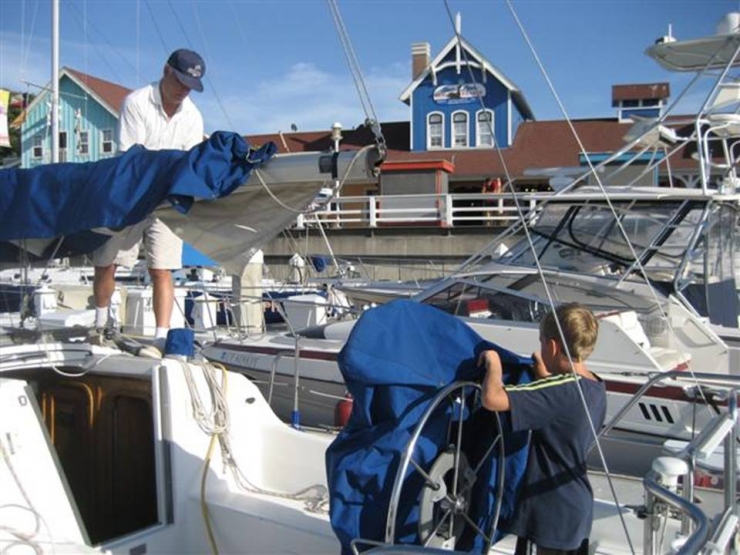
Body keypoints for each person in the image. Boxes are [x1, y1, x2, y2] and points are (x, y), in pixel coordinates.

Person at [92, 48, 206, 346]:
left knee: (163, 268)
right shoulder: (136, 102)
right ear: (166, 71)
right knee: (107, 261)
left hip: (167, 199)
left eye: (190, 86)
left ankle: (160, 338)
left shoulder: (193, 116)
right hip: (130, 194)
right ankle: (100, 324)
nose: (184, 91)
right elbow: (132, 158)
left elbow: (188, 164)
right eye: (181, 82)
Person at [478, 302, 606, 555]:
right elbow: (562, 406)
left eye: (541, 341)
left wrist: (493, 363)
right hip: (576, 508)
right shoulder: (596, 386)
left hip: (551, 512)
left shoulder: (561, 390)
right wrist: (544, 377)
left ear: (553, 345)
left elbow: (492, 399)